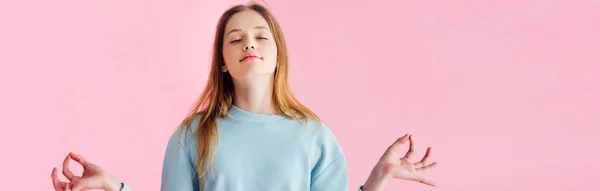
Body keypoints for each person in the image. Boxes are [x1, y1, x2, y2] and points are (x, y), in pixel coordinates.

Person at [50, 2, 437, 191]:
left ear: (277, 54)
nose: (248, 44)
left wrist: (377, 179)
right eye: (235, 39)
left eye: (260, 36)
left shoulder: (316, 138)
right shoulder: (193, 136)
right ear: (222, 61)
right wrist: (114, 188)